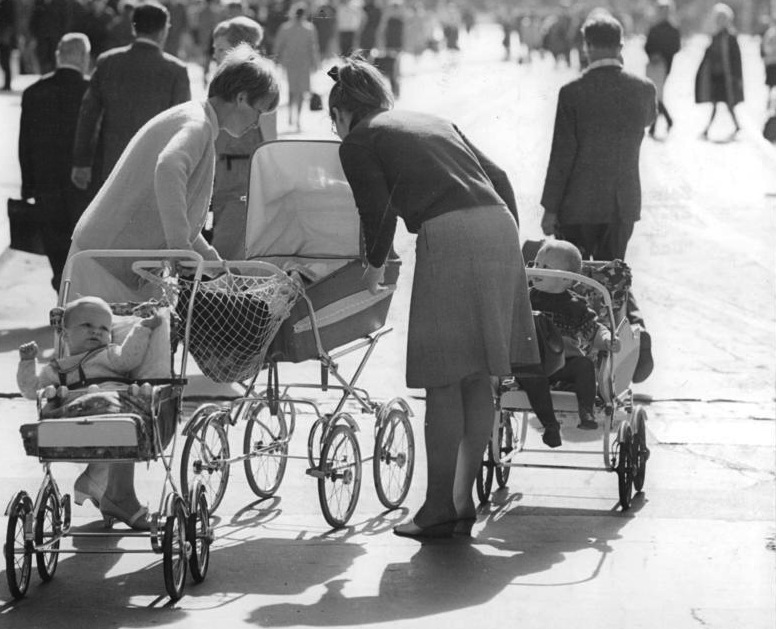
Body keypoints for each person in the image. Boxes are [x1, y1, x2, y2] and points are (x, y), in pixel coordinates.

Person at [61, 45, 279, 527]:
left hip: (113, 261)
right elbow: (168, 168)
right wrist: (182, 243)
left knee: (130, 379)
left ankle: (112, 487)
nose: (259, 124)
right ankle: (109, 483)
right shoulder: (198, 126)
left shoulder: (196, 120)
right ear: (241, 97)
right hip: (109, 264)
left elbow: (182, 211)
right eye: (260, 111)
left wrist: (208, 257)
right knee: (130, 379)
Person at [328, 57, 540, 539]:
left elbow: (375, 213)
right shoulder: (433, 121)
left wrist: (373, 272)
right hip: (497, 223)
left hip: (451, 234)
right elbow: (501, 177)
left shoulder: (360, 139)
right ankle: (462, 501)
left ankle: (436, 506)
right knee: (478, 374)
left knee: (443, 379)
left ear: (341, 113)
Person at [17, 296, 162, 528]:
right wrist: (27, 362)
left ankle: (112, 492)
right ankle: (110, 492)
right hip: (73, 421)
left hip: (112, 415)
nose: (96, 332)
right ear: (65, 335)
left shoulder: (108, 355)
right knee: (57, 399)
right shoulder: (57, 369)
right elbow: (32, 390)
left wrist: (142, 327)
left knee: (126, 412)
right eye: (86, 326)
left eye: (104, 329)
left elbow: (129, 359)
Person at [541, 12, 656, 263]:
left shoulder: (572, 93)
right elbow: (648, 120)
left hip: (577, 206)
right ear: (620, 47)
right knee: (611, 280)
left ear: (587, 47)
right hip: (621, 204)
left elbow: (562, 155)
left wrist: (550, 209)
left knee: (576, 282)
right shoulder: (645, 89)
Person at [71, 1, 191, 193]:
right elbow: (183, 127)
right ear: (162, 31)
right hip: (155, 167)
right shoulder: (176, 71)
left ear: (133, 28)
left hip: (112, 163)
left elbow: (88, 115)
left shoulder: (108, 62)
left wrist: (81, 162)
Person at [18, 32, 93, 292]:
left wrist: (27, 186)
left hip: (45, 182)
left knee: (54, 244)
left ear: (58, 56)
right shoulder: (91, 91)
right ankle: (71, 294)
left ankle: (61, 289)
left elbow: (24, 144)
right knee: (78, 244)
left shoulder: (33, 92)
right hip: (83, 184)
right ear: (84, 57)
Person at [529, 240, 620, 430]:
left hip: (564, 363)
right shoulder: (525, 299)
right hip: (532, 362)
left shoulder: (575, 305)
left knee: (585, 366)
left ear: (567, 279)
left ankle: (586, 410)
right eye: (536, 265)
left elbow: (594, 329)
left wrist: (606, 339)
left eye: (546, 267)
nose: (538, 270)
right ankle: (549, 424)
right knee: (524, 368)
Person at [209, 14, 278, 258]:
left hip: (244, 186)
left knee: (227, 257)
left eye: (221, 49)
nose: (215, 55)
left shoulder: (260, 88)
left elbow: (270, 145)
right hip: (221, 185)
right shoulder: (220, 86)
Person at [695, 3, 743, 139]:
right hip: (716, 76)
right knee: (717, 104)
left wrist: (737, 78)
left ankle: (731, 126)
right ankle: (710, 129)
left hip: (727, 78)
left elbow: (736, 61)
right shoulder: (715, 37)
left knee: (727, 103)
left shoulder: (731, 38)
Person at [274, 3, 319, 131]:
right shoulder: (309, 28)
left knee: (292, 90)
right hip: (302, 63)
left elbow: (278, 45)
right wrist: (315, 63)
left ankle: (291, 116)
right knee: (300, 92)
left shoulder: (286, 28)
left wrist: (276, 60)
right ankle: (297, 118)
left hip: (291, 62)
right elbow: (313, 48)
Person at [644, 0, 681, 137]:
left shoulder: (673, 29)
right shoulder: (654, 29)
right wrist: (653, 55)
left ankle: (660, 123)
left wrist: (661, 56)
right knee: (655, 95)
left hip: (665, 66)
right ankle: (664, 122)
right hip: (653, 66)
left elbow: (676, 47)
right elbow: (647, 46)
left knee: (657, 95)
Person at [761, 18, 776, 109]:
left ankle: (770, 102)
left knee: (771, 84)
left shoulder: (769, 33)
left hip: (771, 62)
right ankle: (769, 102)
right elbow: (765, 47)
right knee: (771, 84)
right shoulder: (770, 33)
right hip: (771, 62)